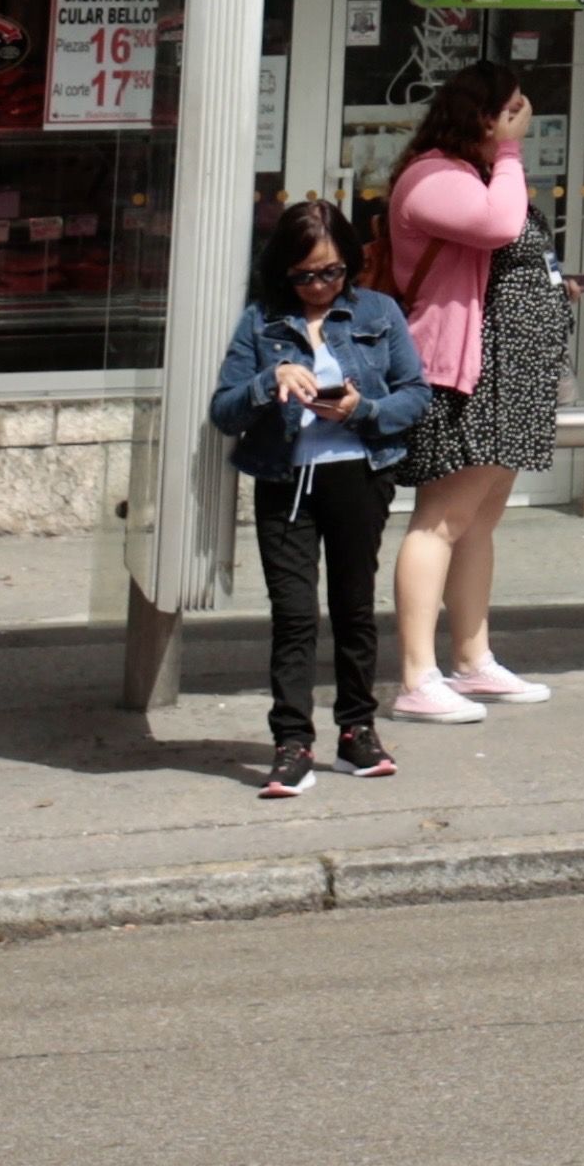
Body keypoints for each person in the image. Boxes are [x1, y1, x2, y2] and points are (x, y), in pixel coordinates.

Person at [210, 194, 423, 797]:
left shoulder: (378, 310)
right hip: (286, 481)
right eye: (305, 275)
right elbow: (223, 411)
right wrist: (267, 379)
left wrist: (365, 408)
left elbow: (416, 394)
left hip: (359, 473)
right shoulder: (261, 322)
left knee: (355, 607)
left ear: (350, 264)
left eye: (331, 271)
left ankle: (357, 732)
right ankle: (292, 744)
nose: (320, 286)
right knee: (295, 615)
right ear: (283, 270)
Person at [374, 67, 559, 720]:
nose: (517, 124)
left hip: (505, 375)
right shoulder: (432, 176)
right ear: (477, 115)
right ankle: (417, 676)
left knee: (479, 520)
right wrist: (509, 151)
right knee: (441, 520)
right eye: (507, 112)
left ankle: (473, 660)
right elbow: (499, 225)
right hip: (459, 374)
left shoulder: (475, 174)